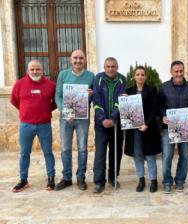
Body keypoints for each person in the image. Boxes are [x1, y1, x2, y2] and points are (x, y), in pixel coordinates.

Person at [10, 60, 56, 192]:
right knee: (24, 153)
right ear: (27, 70)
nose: (35, 72)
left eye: (37, 69)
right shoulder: (19, 84)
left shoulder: (50, 85)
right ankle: (23, 180)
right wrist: (25, 110)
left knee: (48, 152)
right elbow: (13, 100)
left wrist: (46, 110)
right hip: (26, 125)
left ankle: (51, 177)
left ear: (42, 70)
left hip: (44, 124)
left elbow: (55, 102)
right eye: (32, 69)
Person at [54, 49, 94, 191]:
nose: (78, 61)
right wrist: (64, 110)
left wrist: (91, 94)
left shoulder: (90, 76)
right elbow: (58, 95)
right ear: (71, 60)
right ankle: (66, 178)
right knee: (65, 148)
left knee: (82, 148)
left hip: (83, 118)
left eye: (81, 58)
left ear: (85, 60)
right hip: (67, 117)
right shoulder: (63, 75)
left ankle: (81, 177)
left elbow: (94, 98)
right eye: (75, 58)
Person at [159, 60, 188, 193]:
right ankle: (167, 182)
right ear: (171, 72)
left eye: (181, 71)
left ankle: (180, 180)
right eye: (176, 71)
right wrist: (163, 116)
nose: (179, 74)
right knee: (167, 156)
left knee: (185, 156)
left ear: (184, 70)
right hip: (168, 128)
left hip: (186, 128)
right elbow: (159, 105)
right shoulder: (164, 87)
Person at [124, 66, 161, 193]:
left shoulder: (151, 90)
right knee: (137, 155)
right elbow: (125, 110)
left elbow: (154, 109)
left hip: (148, 128)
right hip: (134, 130)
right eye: (138, 74)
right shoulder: (128, 91)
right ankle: (141, 179)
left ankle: (154, 181)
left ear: (145, 76)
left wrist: (147, 124)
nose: (140, 77)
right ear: (134, 77)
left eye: (142, 74)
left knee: (150, 155)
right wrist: (123, 100)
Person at [93, 57, 126, 193]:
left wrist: (112, 118)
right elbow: (96, 100)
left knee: (116, 151)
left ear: (117, 67)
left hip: (116, 123)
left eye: (113, 66)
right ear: (104, 67)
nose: (110, 69)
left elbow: (121, 100)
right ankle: (99, 182)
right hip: (101, 124)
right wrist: (103, 119)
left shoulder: (122, 79)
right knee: (100, 152)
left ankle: (113, 177)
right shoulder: (98, 78)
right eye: (108, 66)